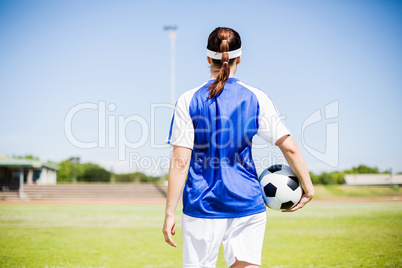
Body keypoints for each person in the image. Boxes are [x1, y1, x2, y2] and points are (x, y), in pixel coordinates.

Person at [162, 27, 314, 268]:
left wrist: (170, 211)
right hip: (246, 203)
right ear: (239, 58)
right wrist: (307, 187)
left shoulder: (189, 99)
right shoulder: (256, 97)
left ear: (207, 58)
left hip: (202, 205)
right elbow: (290, 148)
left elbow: (181, 161)